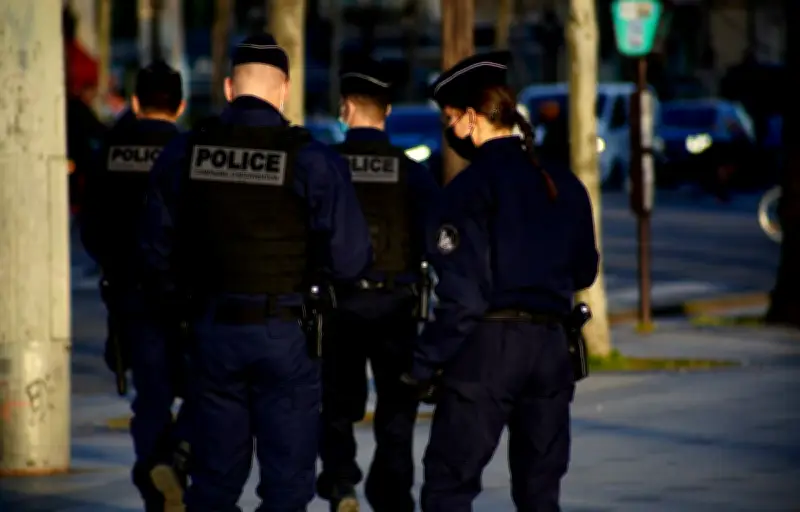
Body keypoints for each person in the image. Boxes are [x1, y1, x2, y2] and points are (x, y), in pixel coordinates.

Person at [138, 33, 373, 512]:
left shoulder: (185, 154)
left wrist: (183, 301)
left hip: (211, 332)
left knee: (214, 483)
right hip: (286, 335)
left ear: (228, 89)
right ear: (284, 89)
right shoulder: (313, 160)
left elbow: (153, 250)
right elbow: (351, 260)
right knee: (287, 486)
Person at [407, 51, 599, 511]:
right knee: (539, 493)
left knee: (449, 489)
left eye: (451, 120)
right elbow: (584, 271)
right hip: (552, 348)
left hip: (486, 353)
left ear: (472, 119)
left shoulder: (467, 190)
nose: (450, 132)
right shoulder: (563, 182)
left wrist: (421, 363)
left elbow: (461, 298)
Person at [316, 55, 440, 512]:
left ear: (346, 109)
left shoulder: (324, 167)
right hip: (397, 308)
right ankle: (391, 496)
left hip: (338, 306)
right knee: (397, 410)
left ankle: (341, 483)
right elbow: (438, 243)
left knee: (334, 405)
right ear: (386, 113)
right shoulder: (412, 172)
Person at [80, 61, 190, 512]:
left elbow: (91, 227)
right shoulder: (190, 152)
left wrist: (115, 266)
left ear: (137, 103)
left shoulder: (110, 151)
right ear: (181, 106)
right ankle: (177, 458)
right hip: (183, 294)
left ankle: (155, 484)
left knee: (151, 397)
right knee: (208, 387)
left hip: (129, 295)